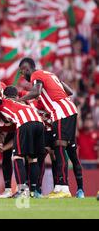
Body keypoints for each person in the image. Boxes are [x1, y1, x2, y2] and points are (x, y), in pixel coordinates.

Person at [18, 57, 81, 198]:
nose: (23, 76)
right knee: (61, 149)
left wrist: (19, 100)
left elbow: (36, 92)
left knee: (59, 148)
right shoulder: (50, 74)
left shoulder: (36, 74)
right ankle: (59, 187)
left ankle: (64, 188)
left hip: (61, 112)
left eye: (22, 72)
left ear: (27, 69)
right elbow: (69, 91)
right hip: (68, 109)